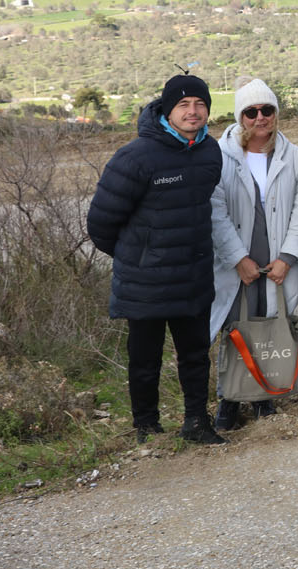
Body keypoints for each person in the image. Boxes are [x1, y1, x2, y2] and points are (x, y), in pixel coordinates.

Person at [88, 73, 226, 444]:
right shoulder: (135, 157)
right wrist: (139, 256)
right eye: (183, 104)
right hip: (145, 282)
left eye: (200, 104)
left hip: (193, 276)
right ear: (167, 110)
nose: (192, 111)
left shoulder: (209, 152)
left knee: (196, 356)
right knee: (144, 359)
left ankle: (197, 423)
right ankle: (147, 429)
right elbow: (100, 223)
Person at [207, 78, 298, 431]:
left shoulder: (294, 156)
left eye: (267, 110)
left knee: (269, 320)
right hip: (237, 259)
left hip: (277, 257)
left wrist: (288, 256)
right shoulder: (219, 156)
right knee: (235, 324)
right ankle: (230, 398)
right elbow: (215, 211)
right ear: (240, 116)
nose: (260, 118)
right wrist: (238, 258)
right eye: (251, 112)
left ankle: (264, 395)